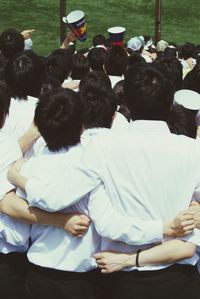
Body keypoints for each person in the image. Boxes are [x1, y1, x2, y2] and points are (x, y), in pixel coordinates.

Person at [8, 65, 200, 299]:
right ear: (170, 104)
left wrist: (17, 178)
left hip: (125, 276)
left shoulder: (104, 147)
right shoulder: (193, 150)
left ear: (126, 103)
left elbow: (55, 198)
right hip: (176, 277)